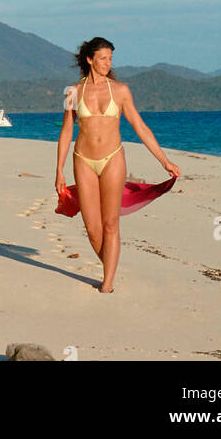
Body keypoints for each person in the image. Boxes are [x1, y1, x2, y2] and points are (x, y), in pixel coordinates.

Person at [55, 36, 180, 293]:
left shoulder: (120, 90)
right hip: (83, 160)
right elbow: (67, 131)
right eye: (103, 58)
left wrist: (164, 160)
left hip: (113, 158)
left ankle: (107, 283)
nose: (107, 63)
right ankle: (110, 266)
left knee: (111, 223)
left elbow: (140, 126)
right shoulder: (72, 93)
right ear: (90, 60)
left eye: (110, 58)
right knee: (92, 228)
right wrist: (59, 170)